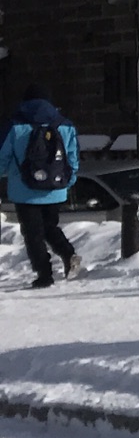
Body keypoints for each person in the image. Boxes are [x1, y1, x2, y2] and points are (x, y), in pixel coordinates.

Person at [0, 84, 83, 288]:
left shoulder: (15, 126)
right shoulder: (65, 126)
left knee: (33, 234)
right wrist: (67, 182)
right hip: (55, 189)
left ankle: (44, 274)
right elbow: (72, 159)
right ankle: (68, 254)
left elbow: (3, 157)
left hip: (24, 190)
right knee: (49, 227)